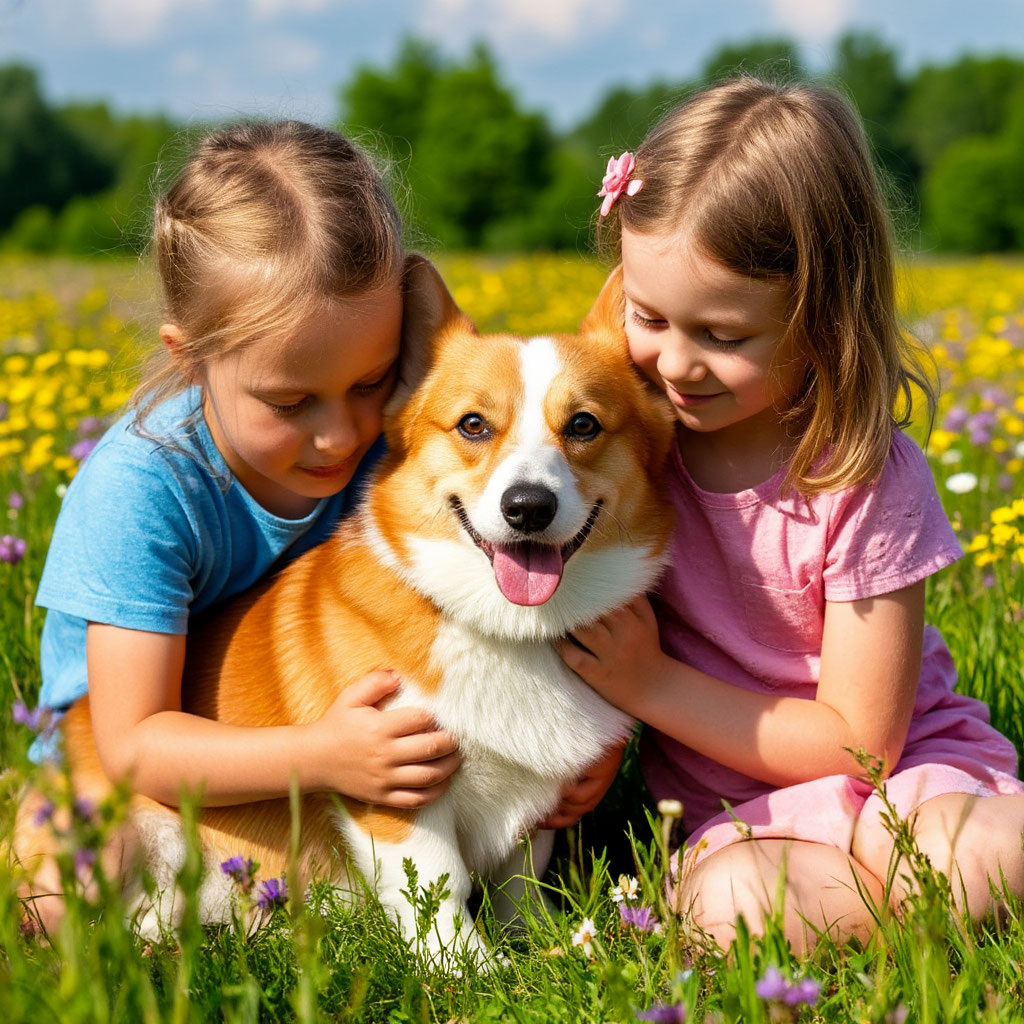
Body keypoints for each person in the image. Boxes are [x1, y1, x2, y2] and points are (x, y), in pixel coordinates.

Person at [557, 78, 1024, 954]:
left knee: (970, 854)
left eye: (723, 336)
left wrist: (648, 685)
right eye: (647, 317)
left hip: (906, 778)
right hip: (749, 816)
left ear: (821, 320)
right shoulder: (624, 449)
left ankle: (909, 903)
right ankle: (912, 922)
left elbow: (863, 748)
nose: (676, 363)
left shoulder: (861, 476)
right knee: (733, 903)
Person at [30, 121, 460, 817]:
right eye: (290, 402)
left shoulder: (397, 446)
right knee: (83, 867)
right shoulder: (140, 492)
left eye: (371, 382)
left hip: (332, 751)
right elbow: (134, 747)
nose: (341, 436)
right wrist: (322, 758)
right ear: (191, 359)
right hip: (133, 782)